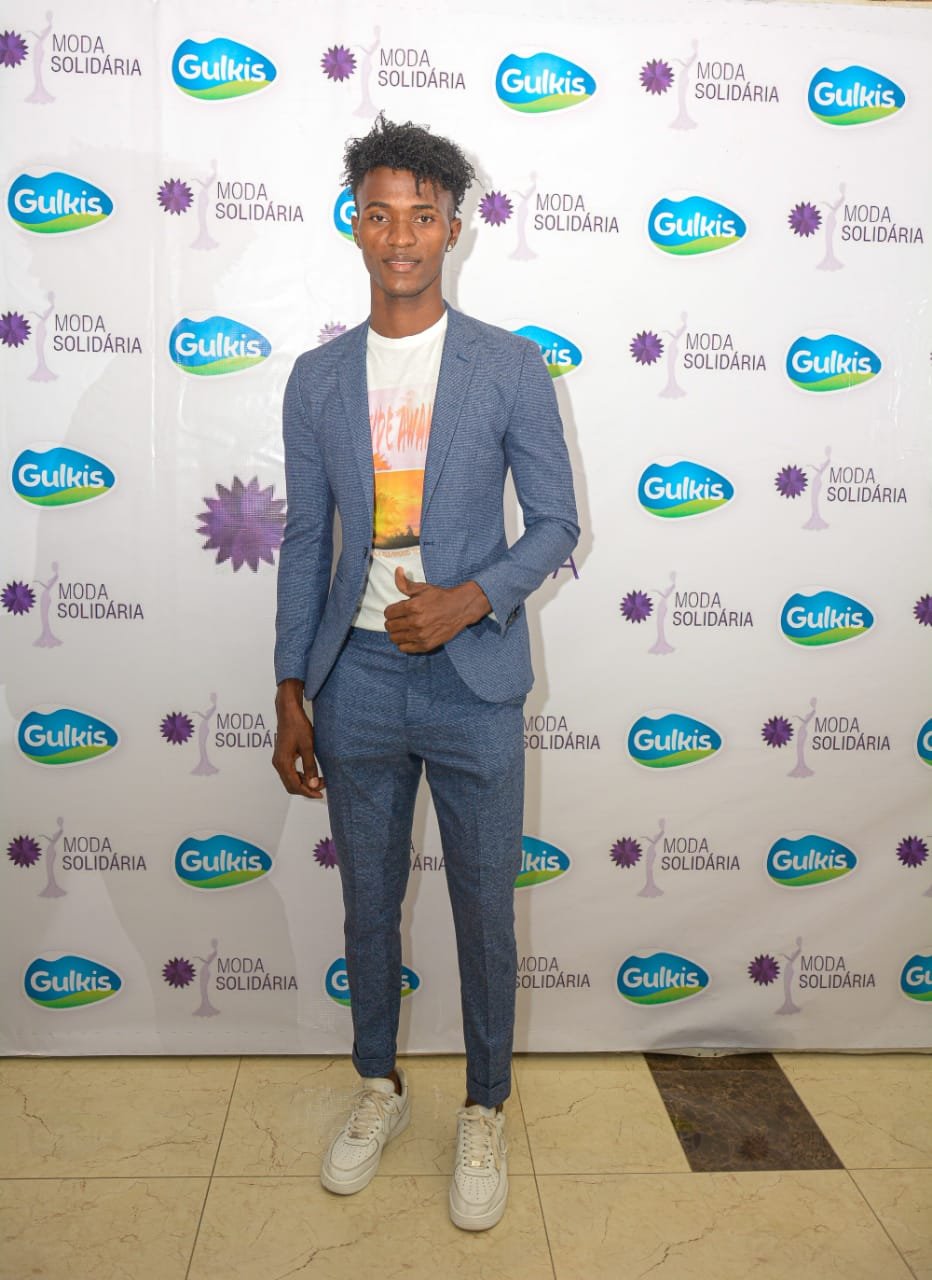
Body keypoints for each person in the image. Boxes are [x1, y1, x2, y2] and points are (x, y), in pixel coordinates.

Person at [272, 115, 578, 1231]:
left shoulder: (508, 365)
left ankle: (484, 1103)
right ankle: (378, 1086)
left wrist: (471, 597)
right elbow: (306, 539)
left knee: (484, 909)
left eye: (421, 215)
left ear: (454, 227)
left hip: (473, 680)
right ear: (354, 227)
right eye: (379, 214)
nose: (400, 235)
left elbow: (556, 523)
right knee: (366, 903)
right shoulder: (315, 379)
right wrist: (288, 684)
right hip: (352, 680)